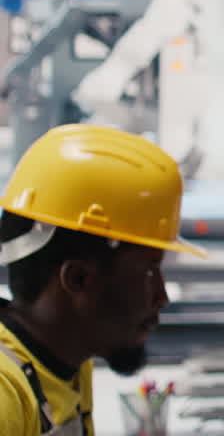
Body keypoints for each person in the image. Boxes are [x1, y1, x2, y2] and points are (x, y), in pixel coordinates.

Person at [0, 124, 207, 436]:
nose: (161, 296)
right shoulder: (6, 399)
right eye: (149, 271)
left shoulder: (70, 358)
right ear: (78, 279)